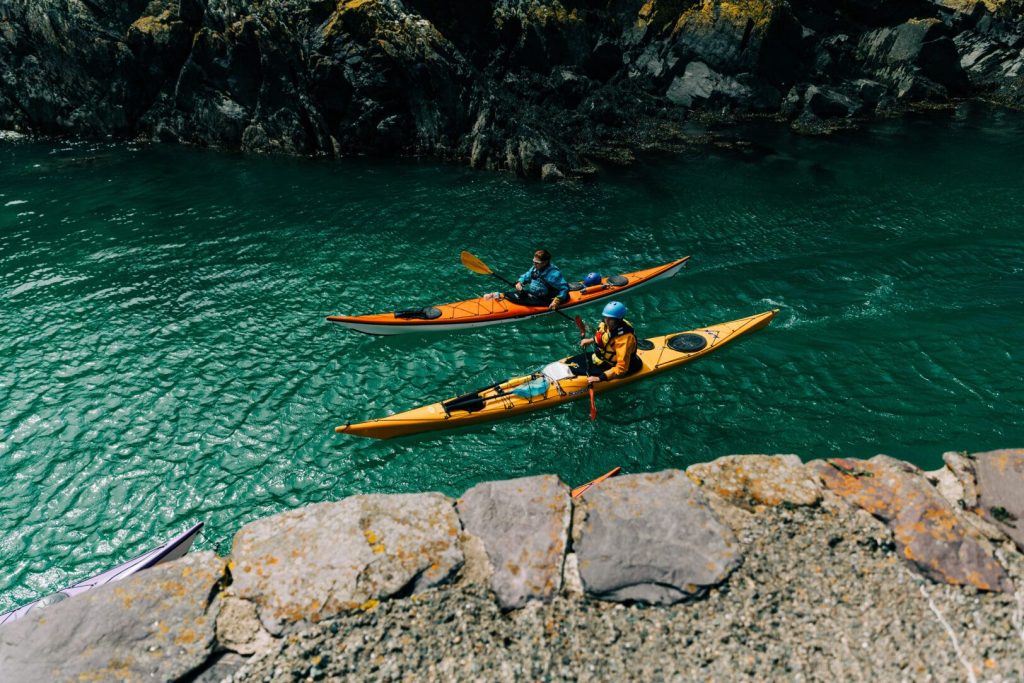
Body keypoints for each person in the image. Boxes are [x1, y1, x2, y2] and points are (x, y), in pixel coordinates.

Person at [571, 301, 642, 384]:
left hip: (615, 366)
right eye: (605, 317)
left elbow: (622, 368)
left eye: (610, 319)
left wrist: (601, 378)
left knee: (575, 370)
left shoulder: (624, 339)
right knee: (570, 363)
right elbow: (604, 337)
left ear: (618, 320)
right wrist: (591, 340)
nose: (607, 321)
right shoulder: (606, 324)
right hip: (600, 359)